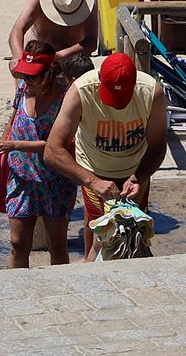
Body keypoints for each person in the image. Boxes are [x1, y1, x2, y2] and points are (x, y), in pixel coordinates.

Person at [43, 52, 167, 261]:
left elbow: (157, 147)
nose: (116, 106)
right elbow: (52, 150)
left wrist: (138, 177)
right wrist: (92, 182)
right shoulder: (80, 91)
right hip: (94, 171)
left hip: (135, 172)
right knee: (103, 240)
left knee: (133, 236)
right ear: (99, 79)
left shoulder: (151, 92)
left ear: (134, 84)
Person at [0, 41, 77, 267]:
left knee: (57, 244)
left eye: (32, 77)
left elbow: (56, 145)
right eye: (24, 76)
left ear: (48, 74)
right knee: (18, 243)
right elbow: (12, 122)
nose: (26, 81)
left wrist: (14, 146)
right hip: (21, 177)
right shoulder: (22, 89)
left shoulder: (65, 99)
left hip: (55, 179)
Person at [7, 0, 98, 64]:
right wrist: (17, 57)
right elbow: (18, 29)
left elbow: (91, 42)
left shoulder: (87, 1)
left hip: (71, 56)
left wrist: (60, 55)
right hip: (36, 52)